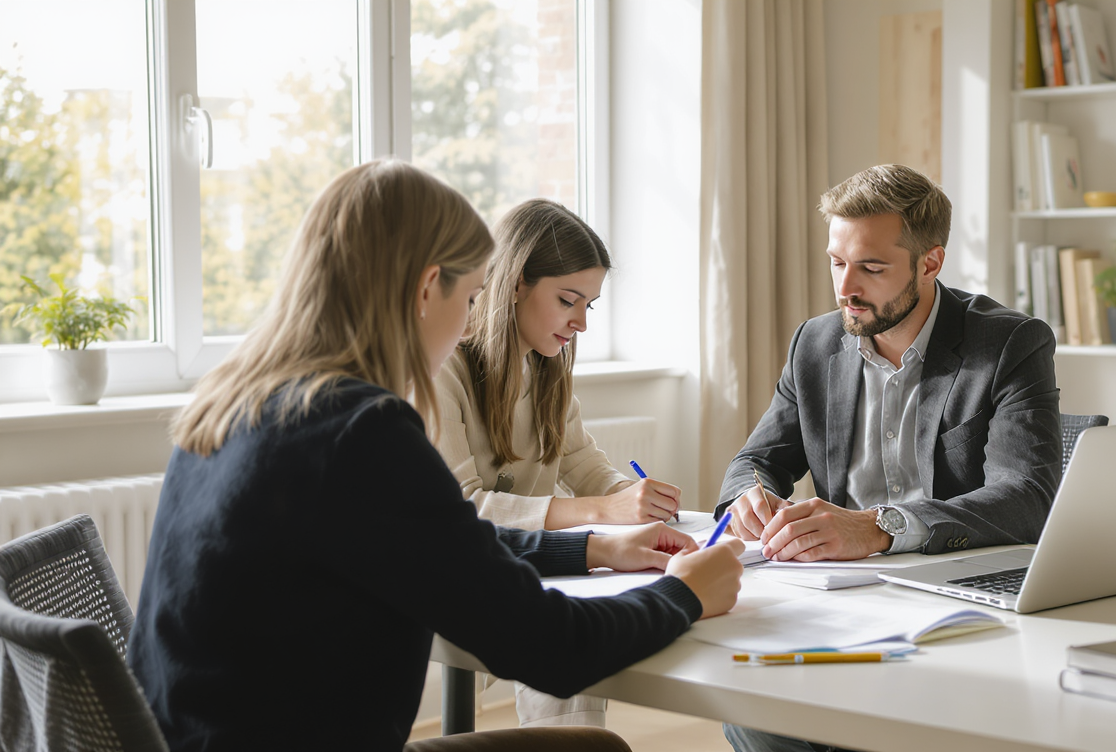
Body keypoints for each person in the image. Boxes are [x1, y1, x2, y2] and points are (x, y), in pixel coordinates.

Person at [127, 160, 745, 752]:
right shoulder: (362, 433)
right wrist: (684, 594)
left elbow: (445, 543)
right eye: (472, 298)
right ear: (428, 289)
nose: (474, 322)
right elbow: (552, 647)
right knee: (593, 749)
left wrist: (594, 549)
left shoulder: (234, 402)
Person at [717, 164, 1062, 752]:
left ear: (930, 262)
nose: (846, 288)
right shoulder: (814, 344)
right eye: (837, 262)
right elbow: (756, 459)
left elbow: (1027, 497)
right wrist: (749, 496)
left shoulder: (1009, 343)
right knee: (754, 709)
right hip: (842, 598)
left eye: (872, 268)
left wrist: (881, 527)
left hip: (954, 600)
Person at [433, 197, 683, 727]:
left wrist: (630, 496)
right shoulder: (443, 368)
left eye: (589, 305)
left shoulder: (546, 367)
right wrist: (603, 510)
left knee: (583, 636)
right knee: (568, 638)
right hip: (462, 573)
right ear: (515, 284)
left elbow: (582, 461)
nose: (581, 323)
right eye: (569, 300)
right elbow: (467, 510)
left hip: (530, 565)